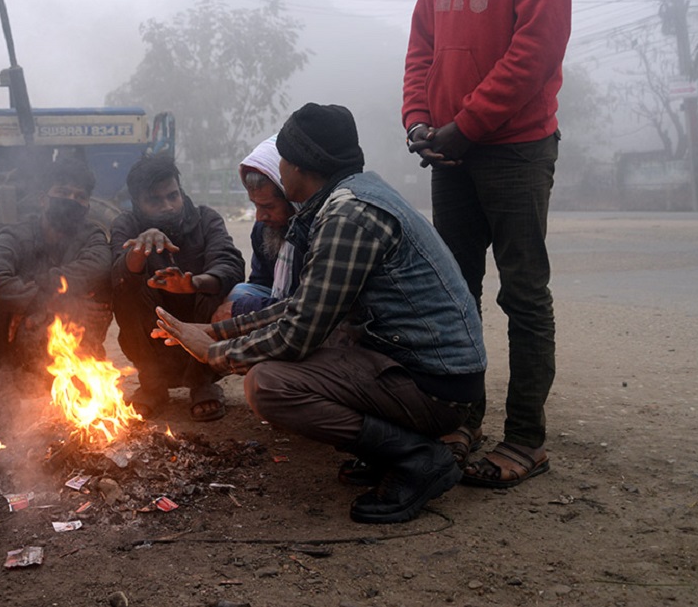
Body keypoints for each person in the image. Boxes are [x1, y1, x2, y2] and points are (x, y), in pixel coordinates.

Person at [153, 104, 486, 523]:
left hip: (435, 385)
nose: (281, 167)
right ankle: (389, 449)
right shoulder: (354, 196)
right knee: (293, 359)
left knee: (269, 384)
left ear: (299, 166)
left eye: (285, 160)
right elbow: (303, 304)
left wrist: (214, 353)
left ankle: (418, 457)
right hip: (418, 368)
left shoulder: (348, 214)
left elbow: (298, 333)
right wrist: (217, 330)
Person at [399, 0, 579, 488]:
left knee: (523, 293)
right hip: (452, 151)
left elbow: (536, 51)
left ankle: (526, 436)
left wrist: (466, 124)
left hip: (515, 148)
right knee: (455, 292)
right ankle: (462, 418)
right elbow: (422, 43)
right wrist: (419, 116)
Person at [0, 157, 113, 433]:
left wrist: (37, 298)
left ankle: (78, 393)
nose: (71, 200)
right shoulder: (16, 234)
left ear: (87, 206)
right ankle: (0, 401)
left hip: (71, 334)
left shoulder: (92, 236)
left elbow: (98, 267)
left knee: (102, 292)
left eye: (79, 196)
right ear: (44, 198)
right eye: (62, 192)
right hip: (16, 339)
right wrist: (52, 300)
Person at [110, 153, 245, 422]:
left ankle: (202, 382)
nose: (168, 206)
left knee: (217, 289)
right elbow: (116, 276)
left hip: (201, 323)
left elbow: (230, 264)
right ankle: (152, 385)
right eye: (155, 200)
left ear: (181, 191)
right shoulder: (126, 224)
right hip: (151, 329)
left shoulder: (207, 219)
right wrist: (139, 250)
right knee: (126, 292)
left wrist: (193, 284)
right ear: (137, 203)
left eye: (173, 196)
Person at [213, 136, 305, 321]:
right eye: (256, 205)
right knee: (239, 294)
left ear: (292, 199)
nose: (260, 216)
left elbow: (306, 305)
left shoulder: (315, 230)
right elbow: (260, 282)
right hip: (277, 304)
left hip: (307, 316)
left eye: (269, 207)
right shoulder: (263, 229)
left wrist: (244, 309)